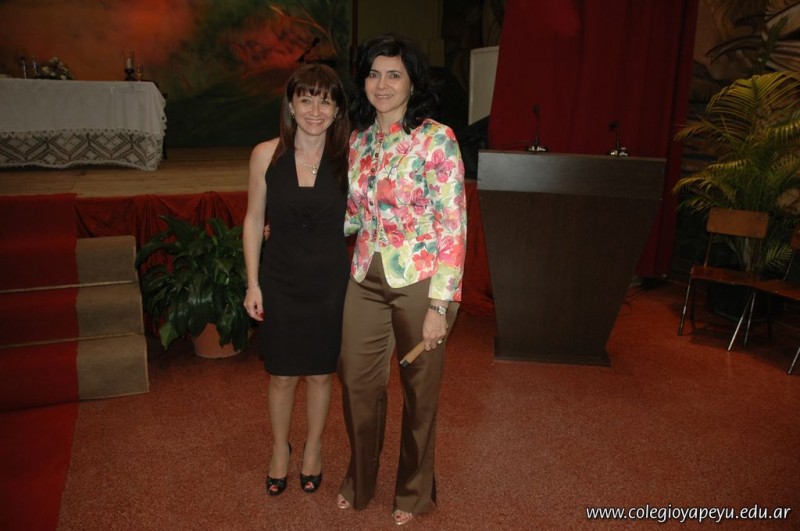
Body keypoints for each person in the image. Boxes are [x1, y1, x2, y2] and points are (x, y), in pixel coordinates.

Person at [336, 34, 467, 526]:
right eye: (374, 74)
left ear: (413, 82)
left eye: (394, 74)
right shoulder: (359, 139)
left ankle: (413, 493)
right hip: (365, 276)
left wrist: (439, 306)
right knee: (357, 383)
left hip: (423, 280)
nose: (382, 84)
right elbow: (354, 215)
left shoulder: (436, 138)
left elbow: (453, 224)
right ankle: (361, 480)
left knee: (420, 394)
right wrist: (297, 225)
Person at [242, 63, 350, 497]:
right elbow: (253, 220)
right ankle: (279, 449)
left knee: (322, 374)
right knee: (282, 375)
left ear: (338, 110)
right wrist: (253, 283)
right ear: (290, 104)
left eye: (325, 101)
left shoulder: (350, 158)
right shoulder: (265, 155)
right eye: (306, 100)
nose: (315, 110)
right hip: (280, 278)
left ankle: (314, 448)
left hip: (330, 281)